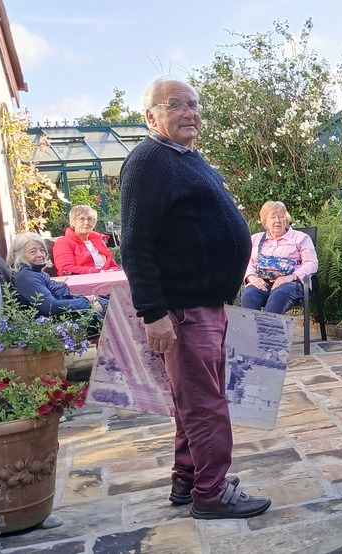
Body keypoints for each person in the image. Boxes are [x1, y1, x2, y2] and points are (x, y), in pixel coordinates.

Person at [120, 76, 270, 519]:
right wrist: (153, 313)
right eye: (176, 105)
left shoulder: (184, 157)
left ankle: (188, 480)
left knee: (195, 401)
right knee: (205, 405)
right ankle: (212, 491)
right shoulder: (149, 162)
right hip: (183, 312)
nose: (190, 112)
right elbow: (135, 244)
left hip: (206, 305)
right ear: (151, 117)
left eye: (194, 104)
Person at [242, 201, 318, 314]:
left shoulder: (301, 238)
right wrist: (251, 277)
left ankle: (270, 331)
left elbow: (312, 263)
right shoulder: (255, 239)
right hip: (261, 282)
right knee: (249, 296)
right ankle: (252, 331)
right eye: (272, 217)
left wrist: (291, 277)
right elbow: (245, 262)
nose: (277, 220)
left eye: (281, 217)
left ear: (286, 220)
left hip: (291, 283)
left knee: (277, 297)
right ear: (265, 222)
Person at [8, 232, 106, 318]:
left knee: (107, 299)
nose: (40, 255)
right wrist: (85, 302)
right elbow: (51, 307)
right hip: (57, 322)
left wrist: (83, 298)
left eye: (42, 250)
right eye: (33, 251)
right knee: (110, 307)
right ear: (19, 255)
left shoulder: (32, 272)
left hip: (67, 312)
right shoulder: (26, 278)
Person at [52, 205, 121, 275]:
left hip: (107, 279)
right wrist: (99, 272)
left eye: (90, 219)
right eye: (81, 219)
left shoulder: (98, 240)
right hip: (81, 283)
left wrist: (112, 271)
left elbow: (114, 266)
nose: (86, 223)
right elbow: (65, 269)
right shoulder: (63, 242)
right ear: (73, 222)